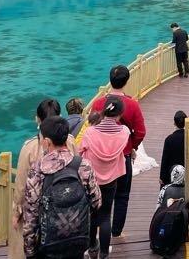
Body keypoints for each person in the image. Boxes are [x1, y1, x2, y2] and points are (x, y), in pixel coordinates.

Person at [22, 116, 101, 259]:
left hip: (48, 245)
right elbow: (96, 203)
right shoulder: (84, 165)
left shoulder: (37, 171)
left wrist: (30, 252)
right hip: (79, 239)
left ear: (47, 142)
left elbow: (31, 217)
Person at [11, 99, 77, 259]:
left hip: (38, 211)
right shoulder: (70, 141)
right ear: (61, 116)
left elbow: (21, 185)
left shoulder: (30, 147)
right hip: (65, 208)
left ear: (37, 119)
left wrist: (16, 211)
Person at [91, 65, 146, 241]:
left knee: (98, 194)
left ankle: (99, 229)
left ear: (110, 80)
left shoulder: (98, 103)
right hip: (123, 156)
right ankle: (116, 232)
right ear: (126, 81)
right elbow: (140, 132)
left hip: (99, 158)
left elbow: (92, 127)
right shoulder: (132, 104)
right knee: (122, 196)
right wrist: (132, 146)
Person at [79, 96, 131, 259]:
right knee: (105, 216)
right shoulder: (124, 133)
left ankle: (92, 247)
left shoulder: (89, 133)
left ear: (104, 110)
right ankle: (103, 254)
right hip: (111, 180)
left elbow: (80, 151)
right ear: (120, 114)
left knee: (92, 214)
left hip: (92, 179)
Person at [159, 110, 186, 187]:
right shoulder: (188, 138)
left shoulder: (169, 139)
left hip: (170, 174)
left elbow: (165, 159)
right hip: (184, 174)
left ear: (174, 123)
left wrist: (162, 177)